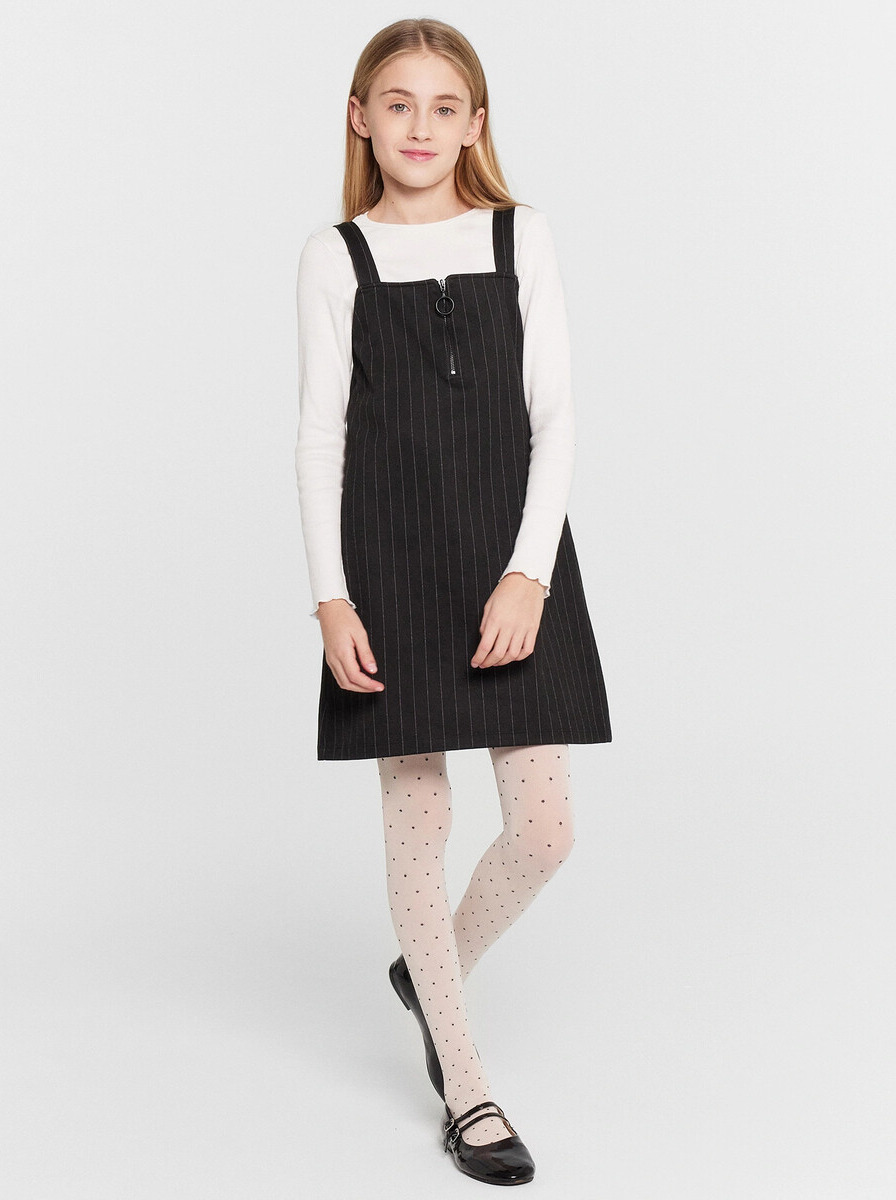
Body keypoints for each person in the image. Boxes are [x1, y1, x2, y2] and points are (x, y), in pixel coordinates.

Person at [295, 17, 612, 1187]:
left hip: (507, 564)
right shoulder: (336, 256)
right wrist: (331, 600)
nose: (419, 127)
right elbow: (320, 436)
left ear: (475, 125)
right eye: (398, 103)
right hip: (388, 565)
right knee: (418, 820)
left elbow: (556, 418)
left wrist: (529, 572)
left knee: (544, 830)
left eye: (442, 107)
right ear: (361, 118)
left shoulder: (522, 235)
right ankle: (467, 1086)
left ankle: (428, 973)